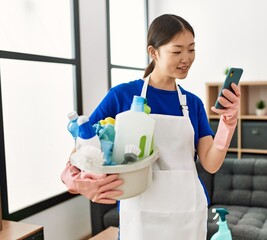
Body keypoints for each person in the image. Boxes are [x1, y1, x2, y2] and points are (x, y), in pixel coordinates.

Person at [61, 14, 240, 239]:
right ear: (153, 52)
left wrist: (228, 122)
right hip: (140, 216)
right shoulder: (122, 96)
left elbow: (211, 163)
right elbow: (82, 146)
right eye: (177, 51)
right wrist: (76, 182)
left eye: (191, 49)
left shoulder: (192, 104)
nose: (186, 58)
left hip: (187, 214)